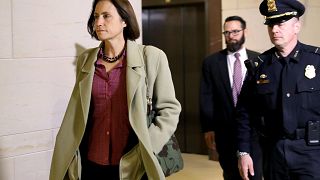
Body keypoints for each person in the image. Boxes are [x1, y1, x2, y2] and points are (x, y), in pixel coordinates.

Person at [49, 0, 181, 179]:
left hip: (133, 164)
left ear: (124, 21)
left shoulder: (152, 57)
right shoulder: (86, 60)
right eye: (96, 17)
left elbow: (169, 110)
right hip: (91, 162)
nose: (99, 22)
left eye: (106, 16)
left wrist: (147, 149)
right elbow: (79, 112)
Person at [237, 0, 320, 179]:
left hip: (312, 152)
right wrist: (243, 152)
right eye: (270, 25)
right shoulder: (259, 67)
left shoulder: (316, 61)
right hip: (274, 151)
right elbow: (244, 113)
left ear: (296, 26)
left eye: (280, 24)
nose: (274, 30)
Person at [200, 16, 262, 180]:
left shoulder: (259, 60)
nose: (231, 36)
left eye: (235, 31)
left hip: (253, 132)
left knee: (254, 174)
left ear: (245, 31)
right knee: (230, 173)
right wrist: (208, 127)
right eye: (227, 32)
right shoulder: (211, 62)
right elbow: (206, 96)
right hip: (224, 130)